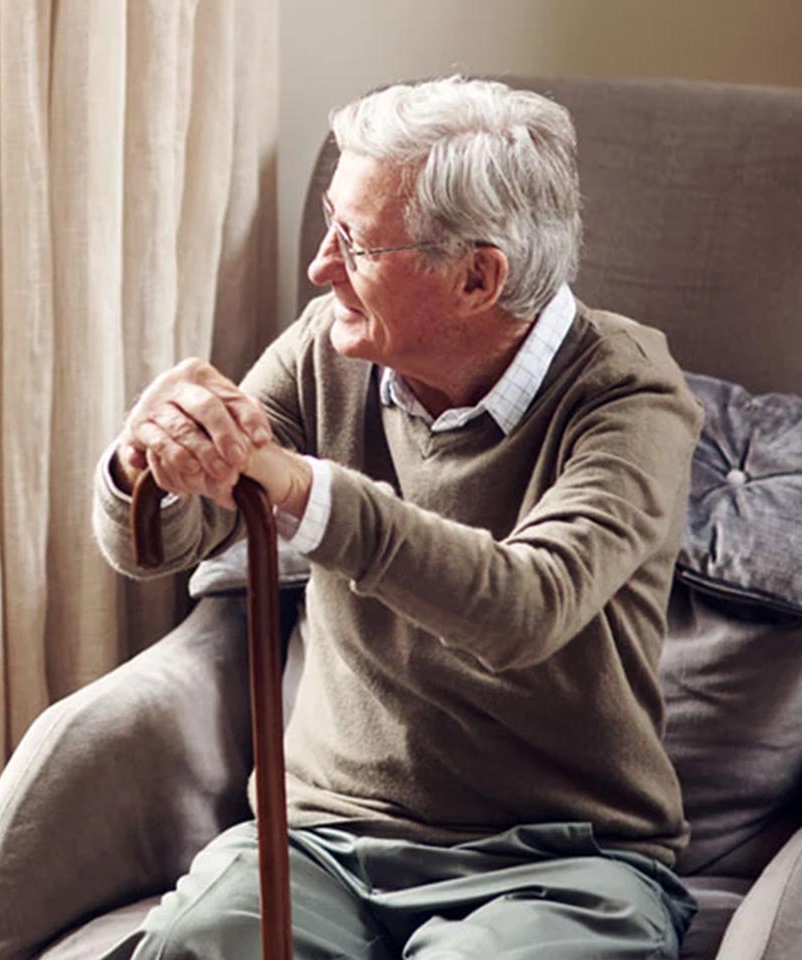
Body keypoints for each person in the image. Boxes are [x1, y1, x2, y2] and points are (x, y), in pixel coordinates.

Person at [92, 76, 702, 960]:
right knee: (192, 944)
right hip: (325, 841)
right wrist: (150, 459)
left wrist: (302, 490)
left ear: (476, 277)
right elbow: (161, 545)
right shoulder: (324, 349)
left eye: (356, 242)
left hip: (567, 859)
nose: (320, 266)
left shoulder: (627, 396)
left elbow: (524, 606)